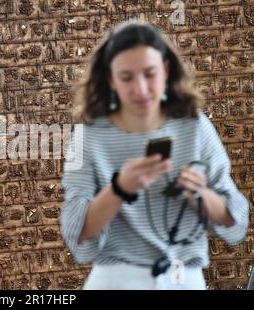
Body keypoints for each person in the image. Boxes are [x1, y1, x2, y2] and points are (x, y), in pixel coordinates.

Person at [60, 20, 249, 290]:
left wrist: (200, 195)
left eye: (150, 74)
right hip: (116, 281)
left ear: (166, 71)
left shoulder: (194, 126)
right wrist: (119, 188)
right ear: (111, 80)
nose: (141, 88)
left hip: (184, 279)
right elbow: (76, 233)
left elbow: (235, 219)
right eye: (127, 78)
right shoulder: (89, 135)